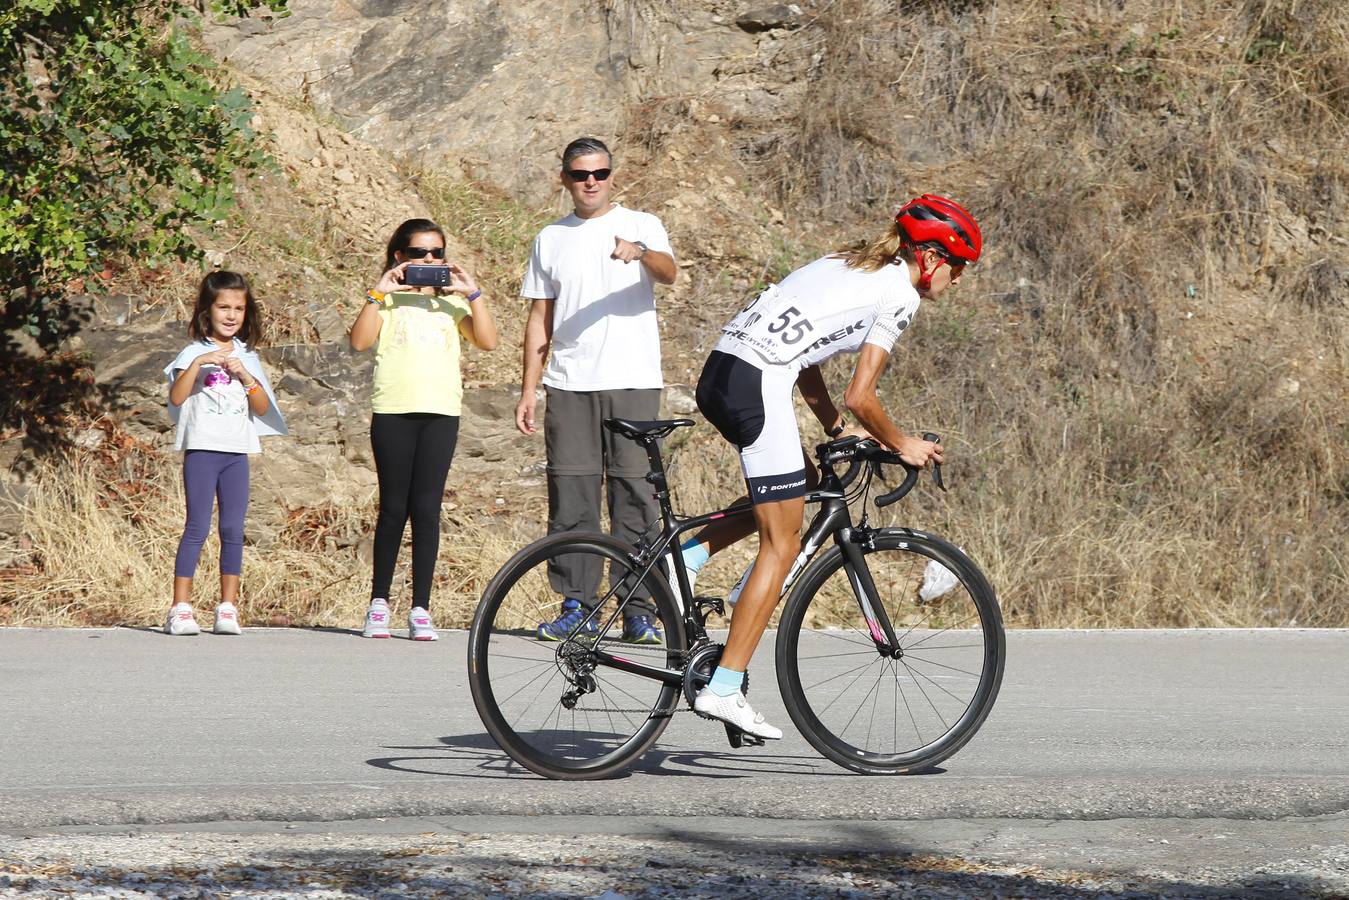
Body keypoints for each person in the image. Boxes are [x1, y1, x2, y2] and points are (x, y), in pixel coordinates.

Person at [678, 194, 982, 738]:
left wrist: (836, 432)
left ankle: (690, 553)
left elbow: (807, 359)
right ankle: (724, 688)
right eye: (957, 267)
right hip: (759, 382)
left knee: (807, 483)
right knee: (783, 544)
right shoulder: (898, 295)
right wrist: (901, 443)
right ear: (932, 258)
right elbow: (861, 395)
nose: (957, 280)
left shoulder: (851, 260)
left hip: (723, 370)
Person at [516, 137, 678, 645]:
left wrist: (643, 253)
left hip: (631, 379)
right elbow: (539, 318)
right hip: (569, 383)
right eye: (581, 174)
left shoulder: (642, 225)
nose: (592, 182)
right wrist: (529, 390)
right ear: (564, 178)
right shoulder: (550, 238)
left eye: (601, 173)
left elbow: (671, 274)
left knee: (635, 493)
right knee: (572, 497)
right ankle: (577, 605)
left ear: (612, 176)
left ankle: (637, 610)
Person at [350, 218, 498, 640]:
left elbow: (488, 341)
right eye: (419, 254)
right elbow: (359, 341)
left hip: (441, 413)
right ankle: (379, 603)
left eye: (437, 253)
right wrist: (380, 290)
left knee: (428, 510)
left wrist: (472, 293)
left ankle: (420, 607)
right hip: (394, 411)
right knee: (394, 508)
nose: (429, 261)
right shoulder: (388, 303)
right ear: (400, 257)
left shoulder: (453, 305)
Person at [163, 270, 288, 635]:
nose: (231, 315)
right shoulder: (192, 352)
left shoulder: (248, 356)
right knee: (197, 526)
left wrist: (247, 378)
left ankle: (227, 607)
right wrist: (200, 364)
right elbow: (176, 396)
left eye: (239, 308)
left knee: (233, 528)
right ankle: (180, 608)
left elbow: (263, 408)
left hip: (237, 452)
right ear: (208, 310)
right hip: (202, 449)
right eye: (223, 307)